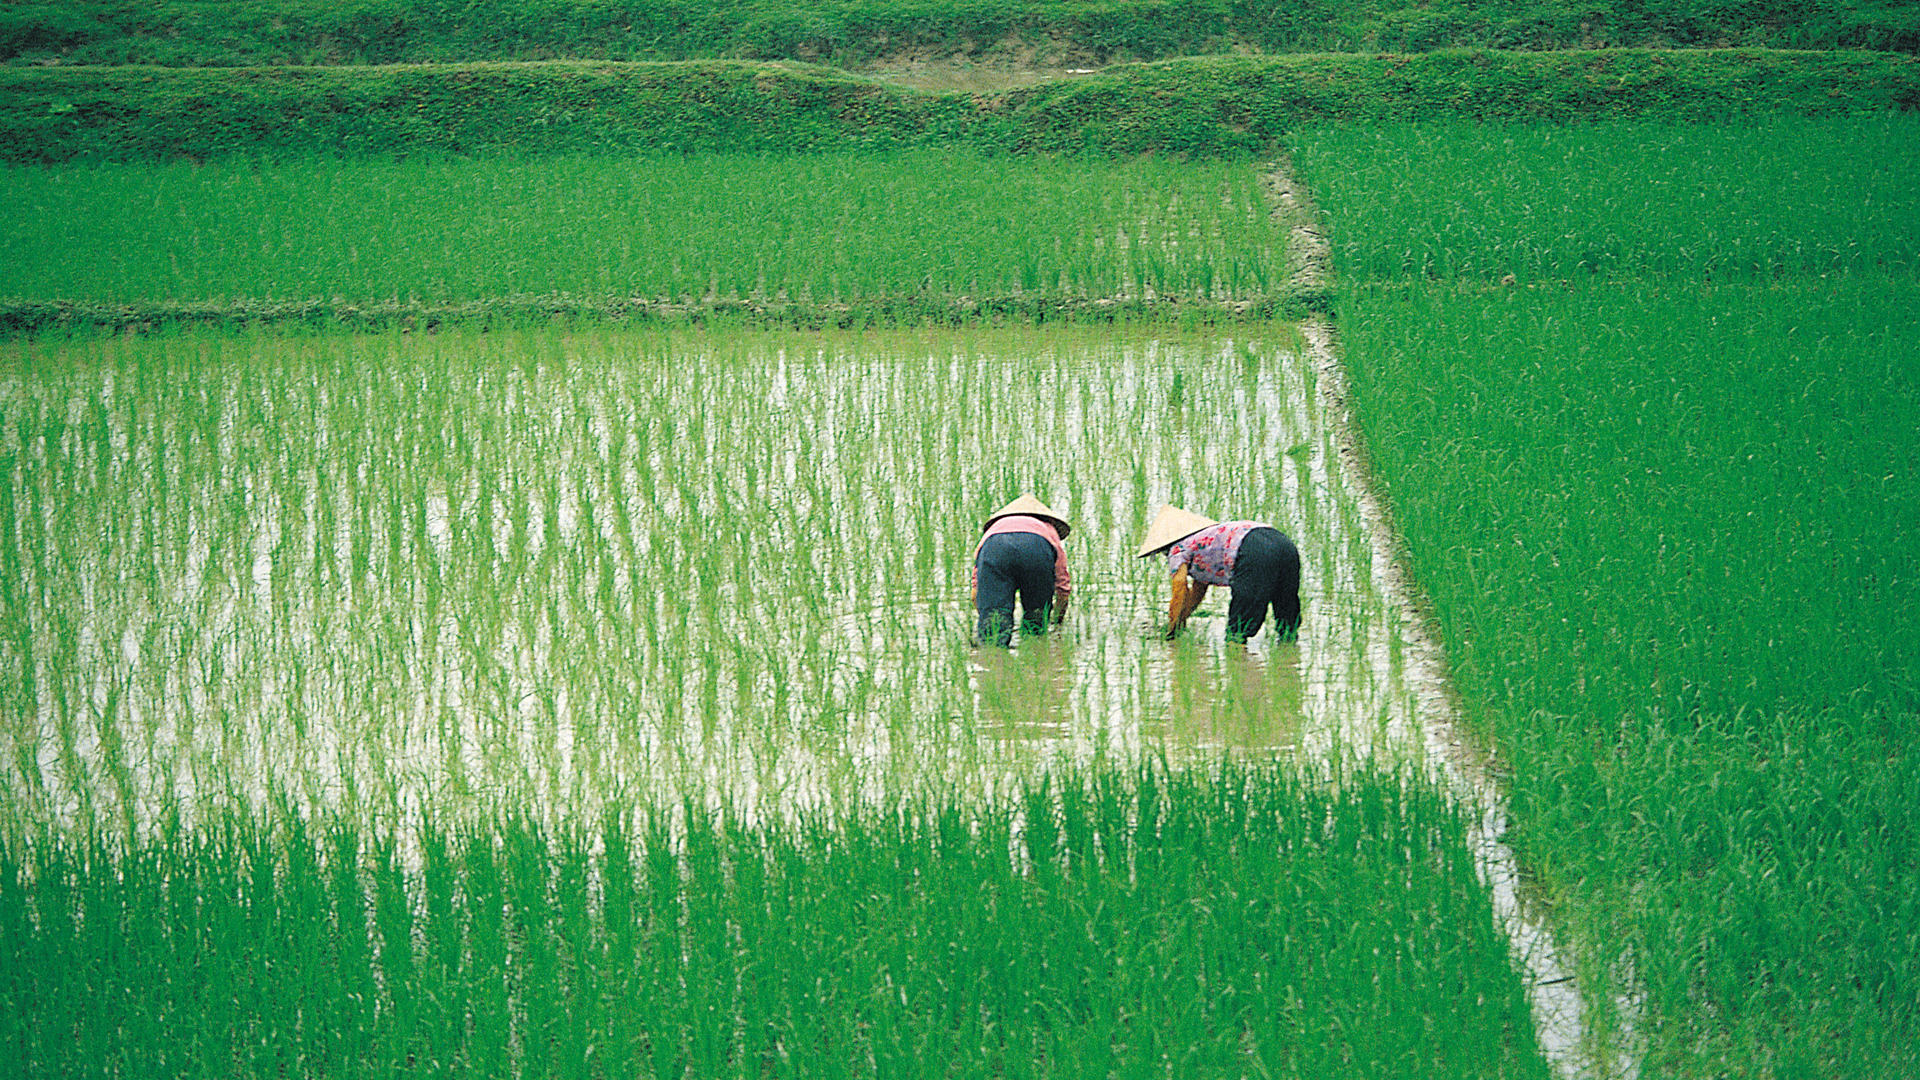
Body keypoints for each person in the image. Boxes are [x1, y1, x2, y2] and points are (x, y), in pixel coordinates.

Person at [1136, 504, 1300, 644]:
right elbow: (1198, 590)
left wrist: (1170, 631)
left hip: (1252, 550)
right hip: (1283, 543)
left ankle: (1239, 666)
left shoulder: (1178, 550)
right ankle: (1290, 656)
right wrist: (1182, 620)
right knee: (1286, 605)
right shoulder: (1206, 537)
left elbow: (1179, 589)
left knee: (1238, 630)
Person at [972, 494, 1071, 647]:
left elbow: (976, 587)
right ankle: (1036, 654)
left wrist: (987, 615)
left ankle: (992, 660)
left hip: (995, 547)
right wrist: (1058, 619)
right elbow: (1062, 582)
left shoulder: (994, 528)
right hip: (1036, 549)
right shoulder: (1047, 528)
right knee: (1036, 618)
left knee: (994, 628)